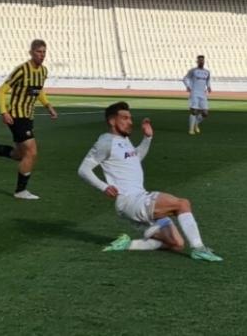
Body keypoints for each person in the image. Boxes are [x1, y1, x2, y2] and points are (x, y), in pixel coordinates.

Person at [77, 101, 222, 262]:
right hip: (130, 201)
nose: (130, 122)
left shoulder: (124, 140)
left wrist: (147, 138)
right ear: (112, 121)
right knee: (182, 204)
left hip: (138, 198)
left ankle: (128, 244)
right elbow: (83, 169)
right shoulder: (105, 142)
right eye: (124, 118)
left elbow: (135, 158)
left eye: (130, 118)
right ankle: (199, 249)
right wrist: (104, 187)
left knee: (176, 244)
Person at [0, 39, 58, 199]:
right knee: (32, 152)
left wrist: (48, 106)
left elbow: (38, 90)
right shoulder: (21, 70)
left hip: (28, 116)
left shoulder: (43, 71)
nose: (42, 55)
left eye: (44, 52)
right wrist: (4, 112)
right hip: (17, 115)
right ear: (31, 53)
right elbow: (2, 91)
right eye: (38, 52)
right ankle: (20, 191)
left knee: (19, 155)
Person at [183, 55, 212, 135]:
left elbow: (208, 80)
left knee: (205, 113)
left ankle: (196, 124)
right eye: (199, 60)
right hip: (194, 93)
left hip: (203, 94)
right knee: (194, 111)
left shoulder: (207, 72)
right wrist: (188, 86)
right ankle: (191, 129)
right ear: (197, 61)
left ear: (204, 61)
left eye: (202, 60)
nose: (201, 62)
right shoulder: (193, 71)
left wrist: (209, 87)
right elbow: (185, 78)